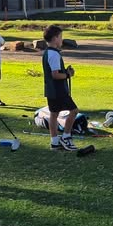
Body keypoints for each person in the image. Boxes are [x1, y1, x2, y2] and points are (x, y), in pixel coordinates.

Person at [41, 24, 79, 152]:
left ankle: (54, 142)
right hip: (58, 91)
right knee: (74, 111)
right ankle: (66, 136)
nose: (62, 40)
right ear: (55, 38)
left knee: (54, 114)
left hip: (51, 90)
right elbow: (55, 75)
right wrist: (68, 74)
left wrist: (65, 72)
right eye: (60, 37)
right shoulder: (54, 54)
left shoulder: (47, 52)